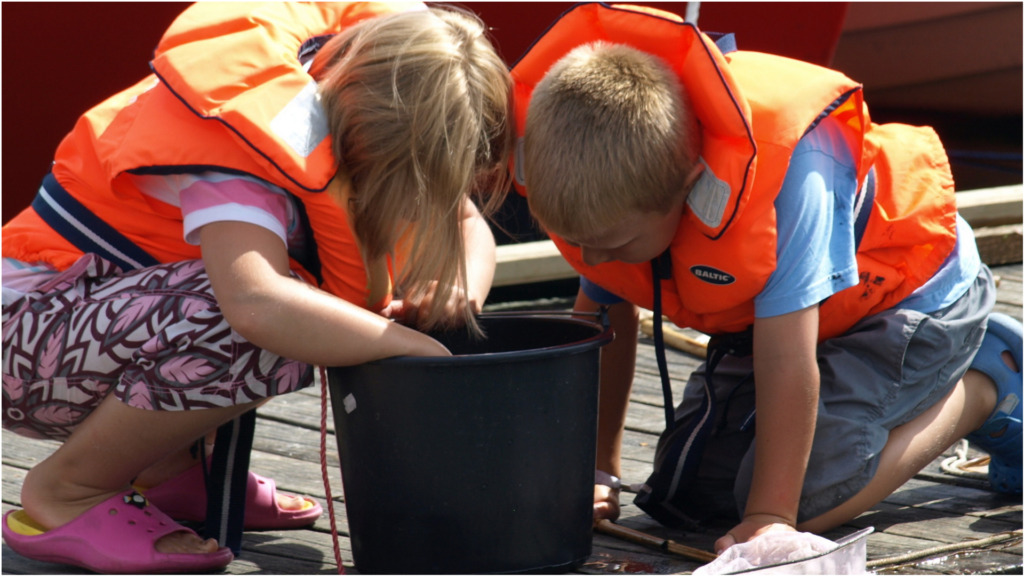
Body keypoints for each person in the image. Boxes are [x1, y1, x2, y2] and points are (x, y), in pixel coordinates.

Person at [1, 2, 512, 573]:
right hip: (26, 344)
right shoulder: (246, 155)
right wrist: (405, 342)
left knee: (306, 318)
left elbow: (463, 220)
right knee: (262, 315)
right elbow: (255, 302)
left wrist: (458, 287)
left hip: (90, 335)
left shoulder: (346, 113)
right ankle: (69, 491)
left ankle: (170, 473)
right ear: (362, 132)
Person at [512, 3, 1022, 555]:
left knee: (804, 503)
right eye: (574, 243)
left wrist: (770, 516)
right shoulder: (609, 198)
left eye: (610, 245)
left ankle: (987, 384)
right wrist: (598, 471)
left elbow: (786, 358)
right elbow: (602, 320)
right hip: (794, 320)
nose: (591, 257)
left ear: (690, 185)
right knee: (691, 497)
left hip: (909, 302)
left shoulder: (789, 181)